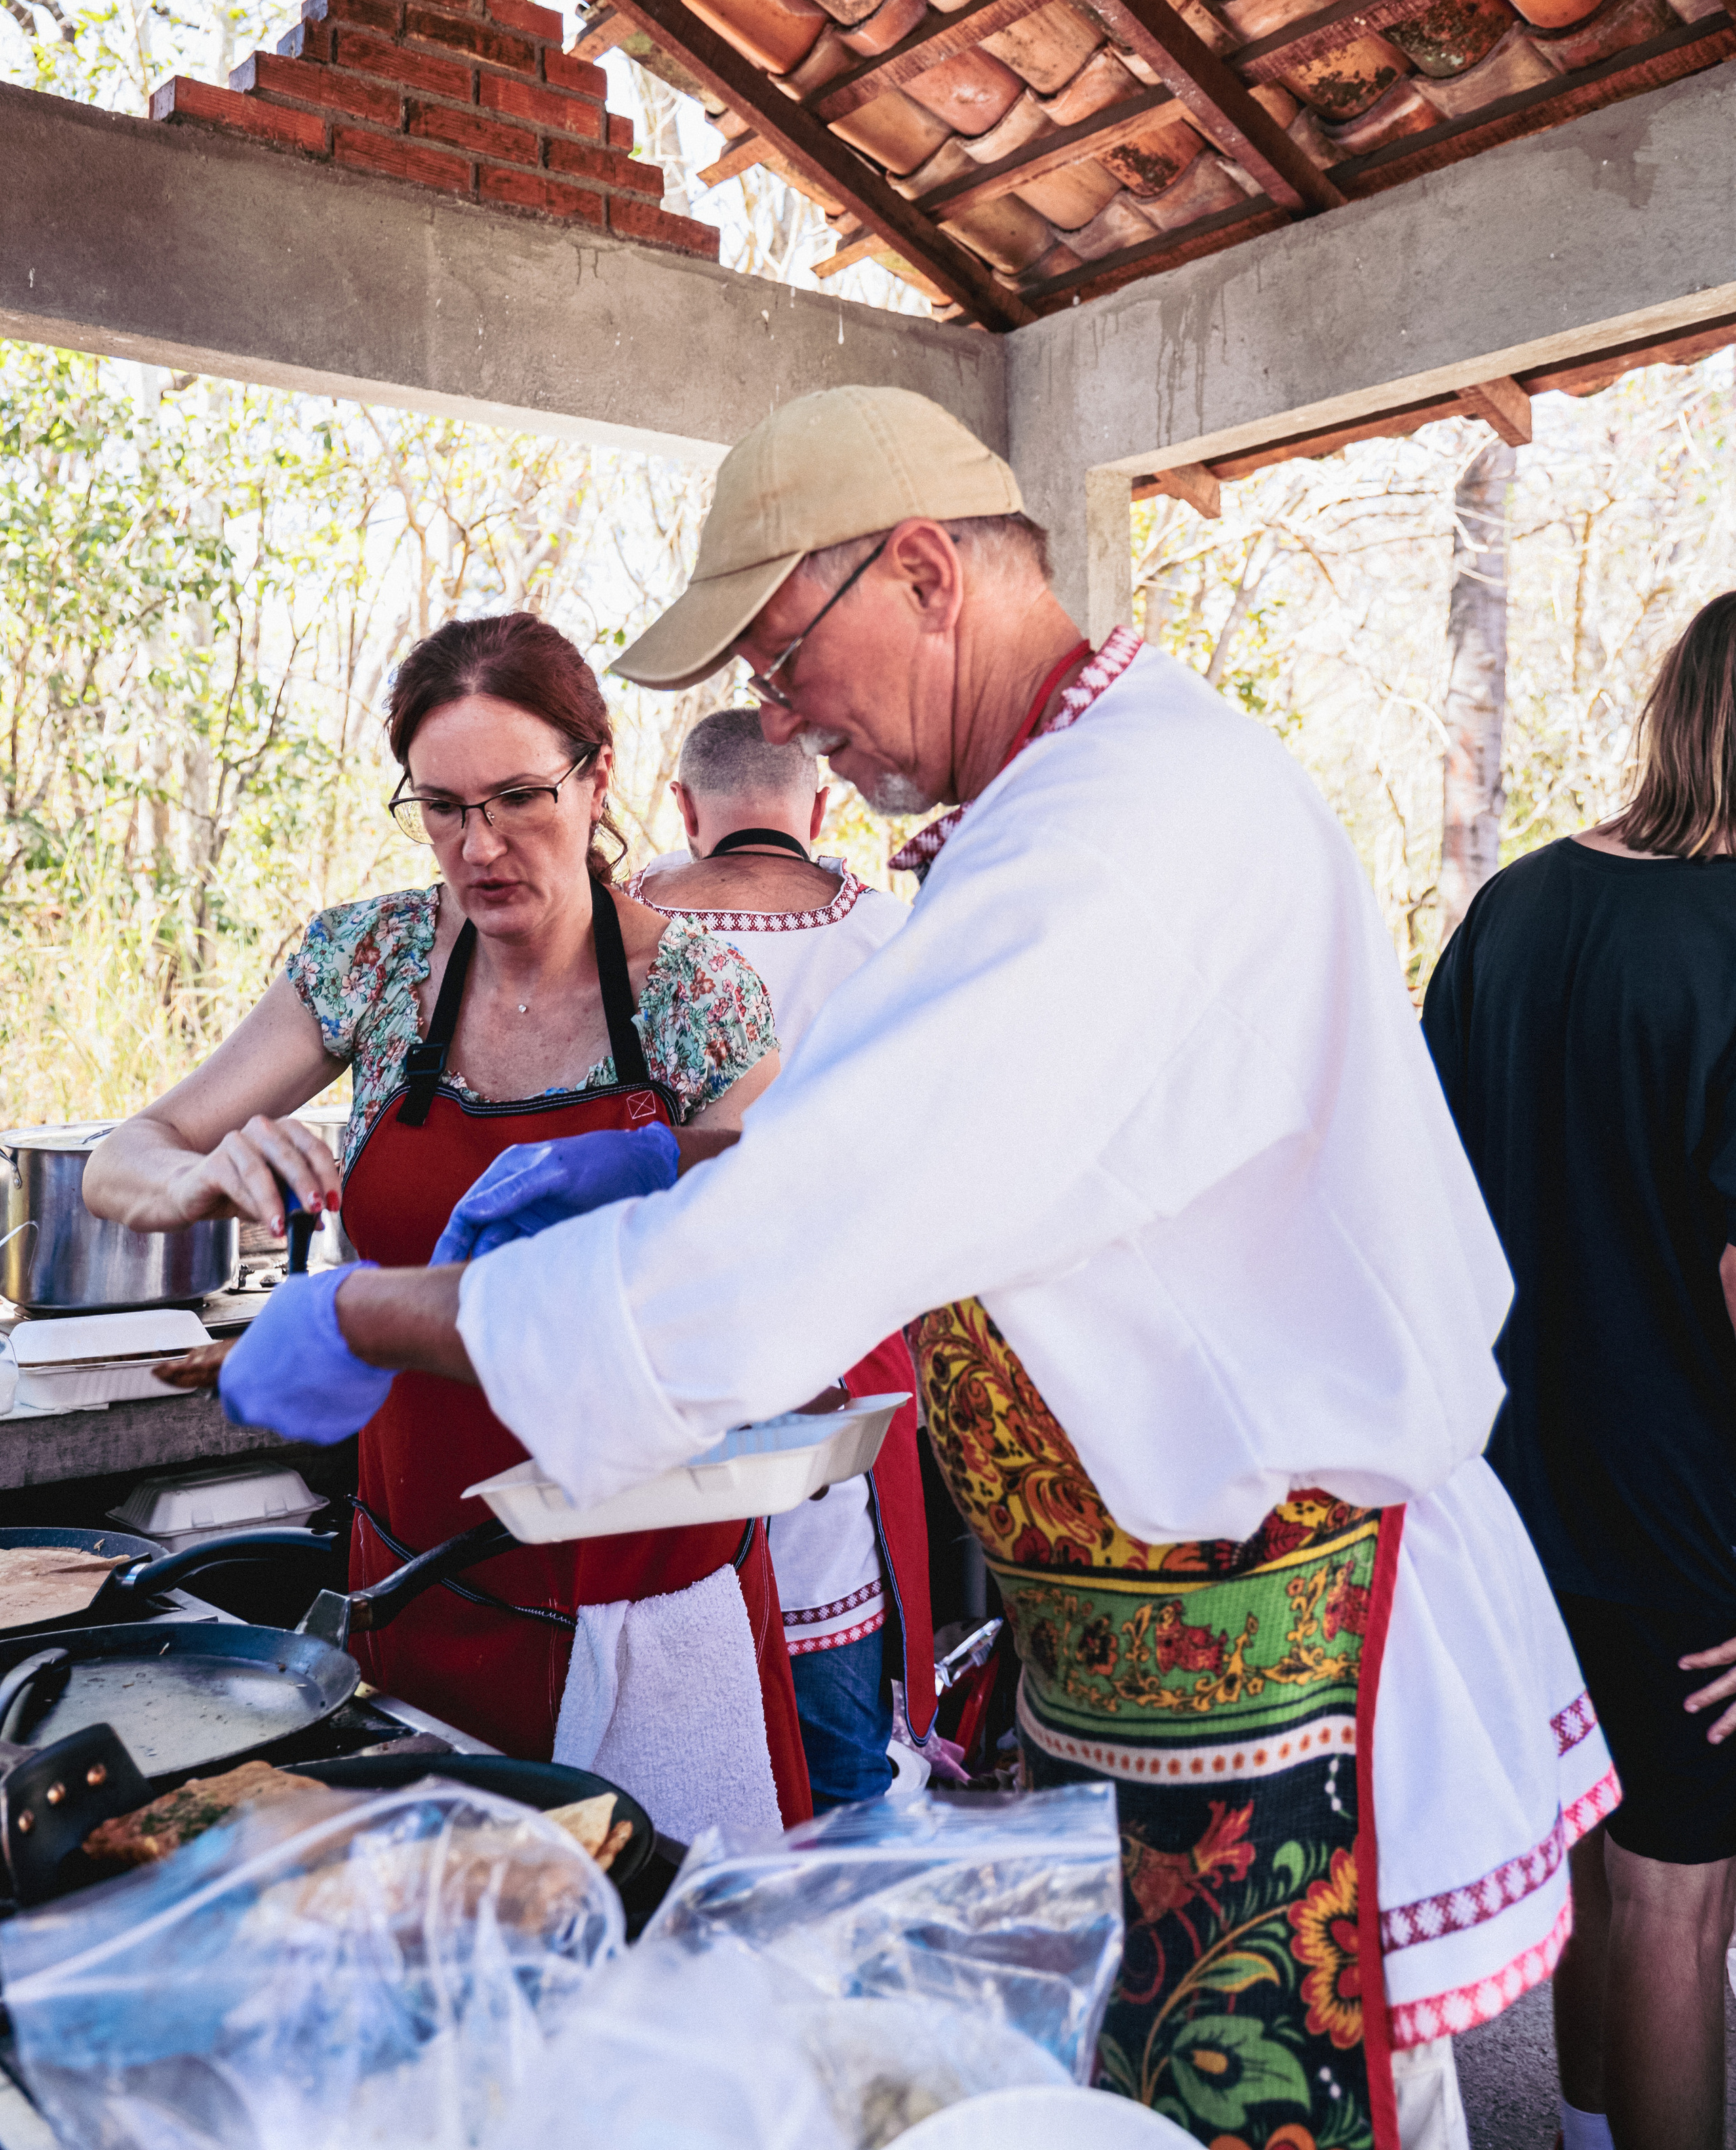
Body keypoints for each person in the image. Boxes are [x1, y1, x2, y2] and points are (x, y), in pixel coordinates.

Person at [214, 388, 1614, 2150]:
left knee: (1257, 2110)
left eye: (790, 655)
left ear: (930, 571)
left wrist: (380, 1310)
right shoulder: (1083, 801)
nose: (783, 714)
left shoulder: (1117, 838)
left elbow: (787, 1258)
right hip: (1159, 1623)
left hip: (1261, 1645)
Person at [85, 612, 810, 1837]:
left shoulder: (695, 997)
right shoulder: (371, 962)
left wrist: (666, 1162)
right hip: (417, 1567)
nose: (482, 848)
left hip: (645, 1590)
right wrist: (198, 1181)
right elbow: (126, 1156)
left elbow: (784, 1236)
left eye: (522, 797)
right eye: (442, 808)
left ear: (599, 776)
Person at [1421, 591, 1736, 2150]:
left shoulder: (1512, 911)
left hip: (1512, 1503)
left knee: (1591, 1867)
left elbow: (1413, 1195)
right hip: (1692, 1529)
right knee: (1679, 1911)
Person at [628, 706, 934, 1805]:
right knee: (837, 1752)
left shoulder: (624, 932)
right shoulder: (889, 936)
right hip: (834, 1376)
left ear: (682, 807)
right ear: (817, 808)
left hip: (647, 1367)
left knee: (657, 1738)